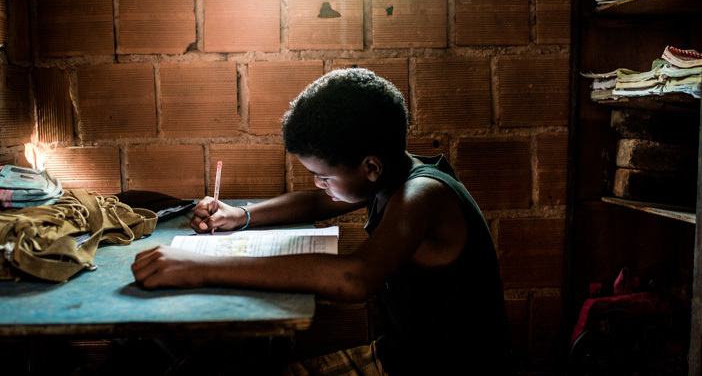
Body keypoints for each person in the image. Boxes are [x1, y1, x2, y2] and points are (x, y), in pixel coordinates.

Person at [132, 68, 516, 375]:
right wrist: (243, 215)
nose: (319, 184)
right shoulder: (388, 174)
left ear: (370, 166)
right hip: (404, 357)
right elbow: (317, 203)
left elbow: (355, 277)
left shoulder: (421, 196)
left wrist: (201, 267)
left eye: (324, 175)